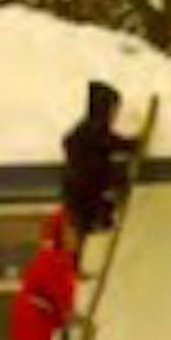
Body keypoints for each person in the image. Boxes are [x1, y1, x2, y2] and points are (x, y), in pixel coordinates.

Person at [1, 208, 81, 340]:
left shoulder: (53, 258)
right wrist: (67, 312)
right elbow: (59, 288)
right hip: (33, 314)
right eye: (69, 232)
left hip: (33, 313)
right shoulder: (55, 259)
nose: (74, 237)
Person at [62, 81, 140, 237]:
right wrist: (132, 145)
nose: (114, 115)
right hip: (86, 187)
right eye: (113, 110)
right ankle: (99, 221)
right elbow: (108, 141)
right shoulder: (93, 129)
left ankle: (98, 221)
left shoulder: (89, 130)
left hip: (83, 188)